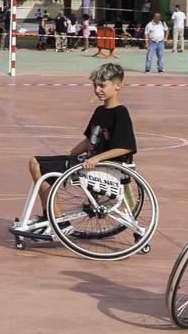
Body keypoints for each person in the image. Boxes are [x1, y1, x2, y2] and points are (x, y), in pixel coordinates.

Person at [20, 63, 136, 236]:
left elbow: (125, 147)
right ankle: (52, 217)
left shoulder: (120, 113)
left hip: (105, 168)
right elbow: (90, 139)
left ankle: (57, 219)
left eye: (102, 85)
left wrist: (97, 159)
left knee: (38, 164)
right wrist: (70, 155)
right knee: (36, 163)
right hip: (88, 162)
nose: (97, 90)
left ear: (117, 85)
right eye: (95, 85)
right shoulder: (100, 111)